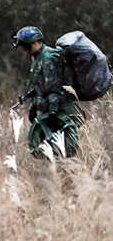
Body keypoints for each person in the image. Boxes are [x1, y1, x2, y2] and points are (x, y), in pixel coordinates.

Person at [12, 26, 84, 158]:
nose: (24, 51)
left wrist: (52, 112)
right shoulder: (38, 57)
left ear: (34, 43)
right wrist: (33, 107)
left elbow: (53, 89)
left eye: (26, 47)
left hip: (60, 109)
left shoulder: (49, 58)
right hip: (52, 108)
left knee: (65, 153)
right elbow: (41, 86)